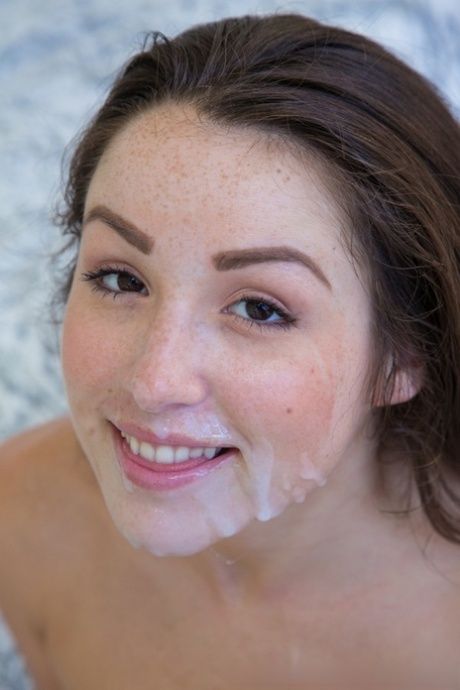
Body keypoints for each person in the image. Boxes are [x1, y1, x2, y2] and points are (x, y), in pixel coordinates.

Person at [1, 12, 460, 689]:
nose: (154, 382)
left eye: (259, 309)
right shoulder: (20, 518)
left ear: (403, 356)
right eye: (121, 279)